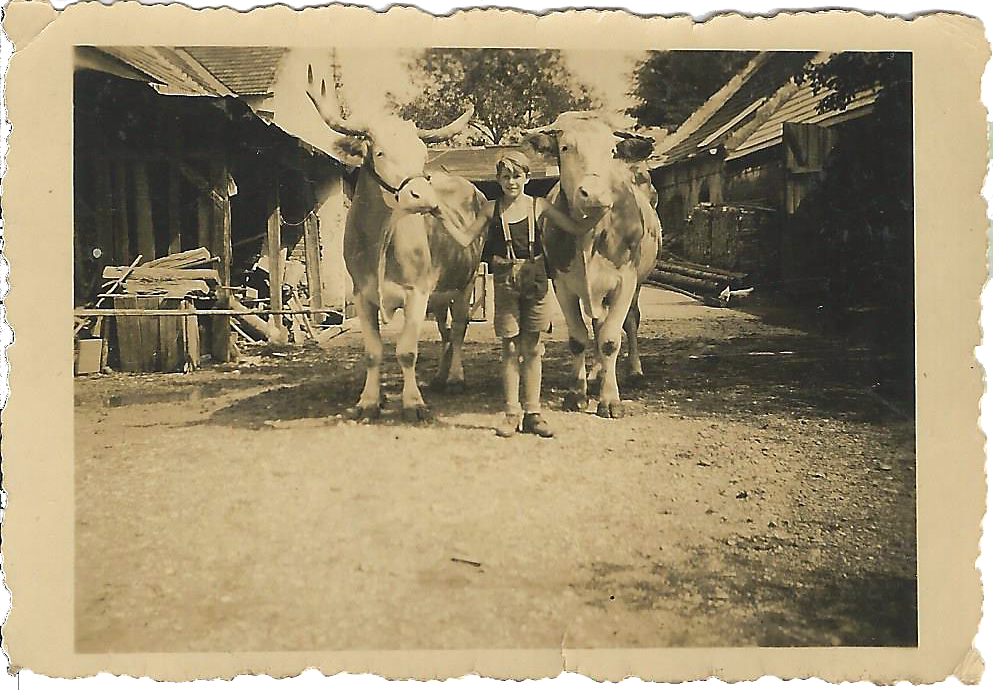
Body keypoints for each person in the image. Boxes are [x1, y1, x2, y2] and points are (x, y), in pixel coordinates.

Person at [446, 151, 605, 438]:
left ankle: (533, 413)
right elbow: (464, 238)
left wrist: (601, 212)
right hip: (505, 278)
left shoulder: (538, 205)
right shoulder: (490, 209)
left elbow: (575, 228)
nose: (511, 182)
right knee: (509, 347)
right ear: (498, 180)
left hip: (536, 277)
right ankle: (511, 413)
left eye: (517, 176)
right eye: (505, 177)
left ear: (527, 178)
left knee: (532, 347)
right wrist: (436, 212)